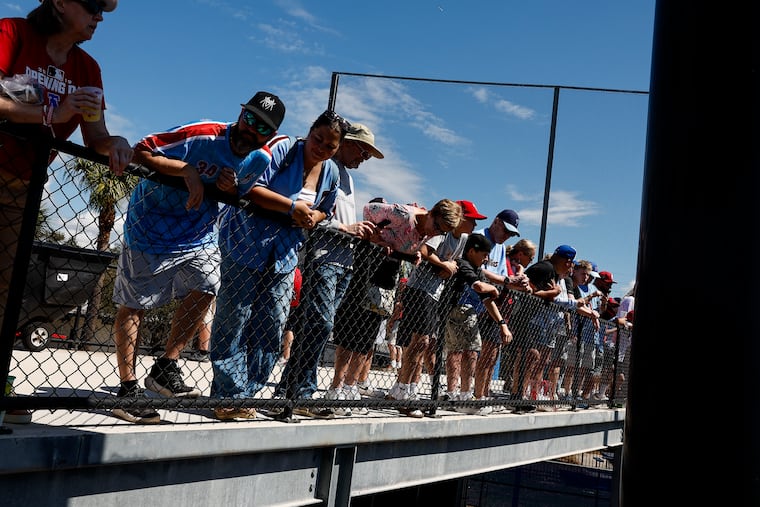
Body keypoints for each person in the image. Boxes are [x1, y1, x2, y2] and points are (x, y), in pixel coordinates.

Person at [111, 91, 285, 424]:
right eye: (249, 119)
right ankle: (127, 387)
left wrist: (230, 188)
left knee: (207, 286)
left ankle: (165, 366)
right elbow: (142, 151)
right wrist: (185, 170)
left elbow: (240, 194)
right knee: (134, 303)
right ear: (240, 114)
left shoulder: (259, 159)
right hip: (149, 226)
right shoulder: (202, 134)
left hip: (197, 232)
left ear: (270, 135)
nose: (252, 130)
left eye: (262, 128)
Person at [0, 0, 131, 425]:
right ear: (59, 2)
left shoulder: (87, 68)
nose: (101, 17)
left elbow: (96, 136)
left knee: (6, 290)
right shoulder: (12, 33)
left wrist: (118, 144)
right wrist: (50, 113)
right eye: (93, 6)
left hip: (24, 185)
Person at [210, 109, 343, 421]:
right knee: (235, 319)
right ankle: (227, 396)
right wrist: (292, 207)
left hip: (285, 254)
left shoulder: (331, 173)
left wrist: (315, 216)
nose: (321, 148)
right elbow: (250, 188)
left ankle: (246, 394)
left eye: (330, 146)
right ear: (309, 132)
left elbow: (326, 208)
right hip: (246, 244)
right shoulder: (283, 148)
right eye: (318, 138)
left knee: (272, 325)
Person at [274, 123, 382, 418]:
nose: (364, 158)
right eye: (363, 151)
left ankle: (293, 389)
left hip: (344, 260)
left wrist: (360, 233)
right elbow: (311, 213)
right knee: (317, 324)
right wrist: (345, 228)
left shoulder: (347, 176)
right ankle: (298, 392)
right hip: (321, 257)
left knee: (321, 327)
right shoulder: (323, 168)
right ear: (347, 143)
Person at [364, 199, 463, 416]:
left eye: (442, 231)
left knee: (421, 343)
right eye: (437, 227)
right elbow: (368, 210)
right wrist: (374, 235)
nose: (437, 232)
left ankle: (404, 389)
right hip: (400, 279)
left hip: (399, 275)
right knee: (417, 342)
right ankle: (401, 391)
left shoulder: (432, 232)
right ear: (431, 213)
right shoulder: (403, 214)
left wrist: (411, 251)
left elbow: (419, 248)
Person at [443, 233, 512, 415]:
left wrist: (502, 323)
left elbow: (487, 300)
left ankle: (463, 395)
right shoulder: (464, 264)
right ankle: (464, 397)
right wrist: (493, 288)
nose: (487, 259)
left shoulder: (478, 270)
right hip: (460, 311)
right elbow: (480, 288)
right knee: (469, 352)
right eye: (484, 254)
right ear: (472, 251)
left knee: (470, 352)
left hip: (469, 312)